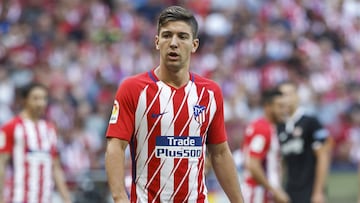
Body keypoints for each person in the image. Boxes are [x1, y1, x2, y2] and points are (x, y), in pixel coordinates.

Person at [105, 5, 244, 203]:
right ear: (156, 42)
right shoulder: (133, 89)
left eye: (182, 36)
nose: (173, 43)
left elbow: (220, 153)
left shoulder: (210, 93)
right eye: (167, 35)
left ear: (194, 45)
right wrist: (120, 198)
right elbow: (115, 146)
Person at [0, 82, 72, 203]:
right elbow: (1, 164)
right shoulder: (11, 127)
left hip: (45, 198)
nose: (41, 103)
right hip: (18, 198)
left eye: (44, 98)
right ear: (24, 100)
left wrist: (66, 199)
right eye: (35, 98)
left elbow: (56, 168)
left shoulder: (49, 129)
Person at [277, 81, 332, 203]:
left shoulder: (311, 122)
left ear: (297, 96)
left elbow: (323, 156)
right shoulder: (280, 126)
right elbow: (282, 163)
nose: (284, 100)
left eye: (288, 94)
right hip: (290, 190)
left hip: (310, 190)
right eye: (280, 95)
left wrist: (318, 192)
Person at [242, 88, 289, 203]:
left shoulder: (270, 127)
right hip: (258, 194)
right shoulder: (262, 129)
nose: (284, 111)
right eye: (280, 106)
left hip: (264, 193)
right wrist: (275, 191)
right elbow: (253, 165)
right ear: (268, 106)